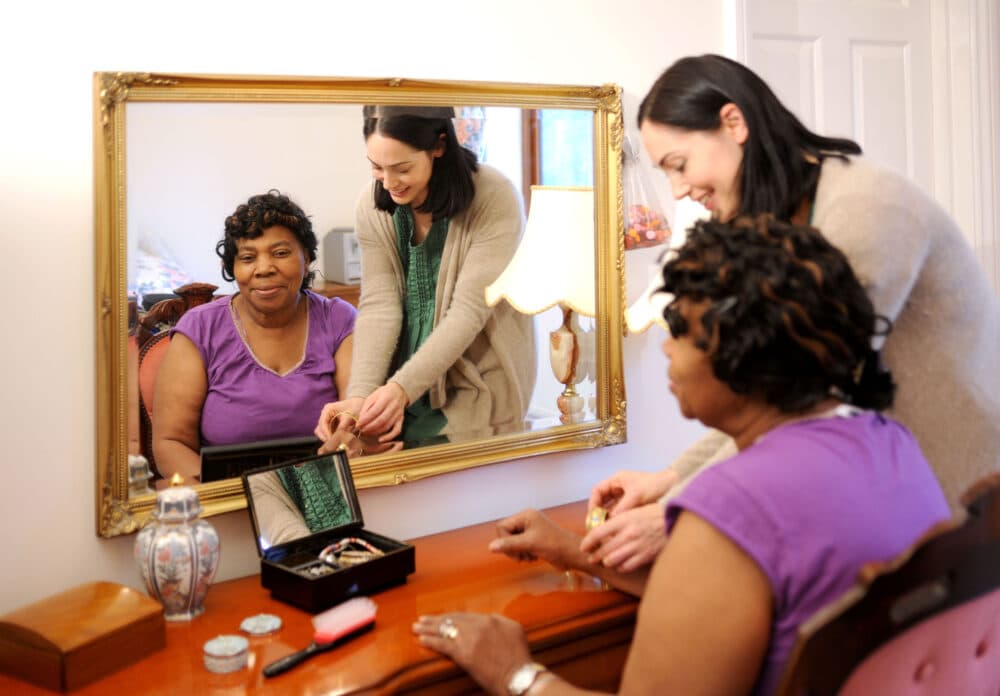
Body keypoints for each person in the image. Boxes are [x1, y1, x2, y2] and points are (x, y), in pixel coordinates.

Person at [411, 214, 950, 696]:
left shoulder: (732, 506)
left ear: (740, 349)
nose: (666, 345)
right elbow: (728, 603)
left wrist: (515, 673)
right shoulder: (888, 442)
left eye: (681, 329)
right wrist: (574, 552)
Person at [583, 53, 1000, 573]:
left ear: (733, 123)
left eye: (679, 165)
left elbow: (799, 400)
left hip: (956, 473)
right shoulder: (784, 214)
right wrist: (670, 479)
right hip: (897, 473)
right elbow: (762, 393)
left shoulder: (864, 211)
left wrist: (674, 512)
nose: (679, 190)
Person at [314, 105, 535, 452]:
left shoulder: (494, 196)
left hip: (478, 382)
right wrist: (360, 397)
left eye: (402, 169)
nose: (388, 183)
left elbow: (468, 311)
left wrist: (403, 388)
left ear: (439, 146)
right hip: (397, 387)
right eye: (376, 167)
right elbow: (379, 305)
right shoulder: (372, 206)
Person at [153, 191, 356, 481]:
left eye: (281, 253)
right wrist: (244, 496)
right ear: (232, 267)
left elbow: (356, 421)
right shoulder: (200, 329)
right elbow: (170, 444)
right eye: (248, 257)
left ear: (307, 257)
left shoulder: (340, 319)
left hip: (325, 491)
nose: (263, 269)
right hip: (230, 497)